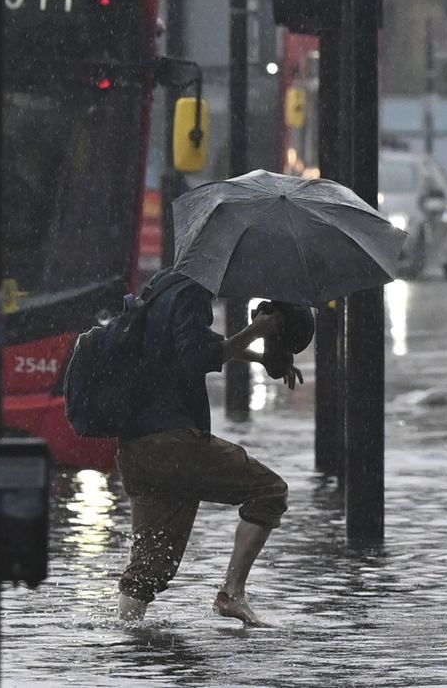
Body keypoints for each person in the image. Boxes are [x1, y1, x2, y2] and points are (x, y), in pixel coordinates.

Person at [115, 268, 309, 628]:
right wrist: (258, 331)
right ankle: (232, 593)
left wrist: (259, 356)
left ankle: (127, 648)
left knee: (146, 572)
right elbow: (196, 357)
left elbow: (195, 344)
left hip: (137, 446)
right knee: (270, 492)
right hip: (174, 442)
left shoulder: (163, 286)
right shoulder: (192, 293)